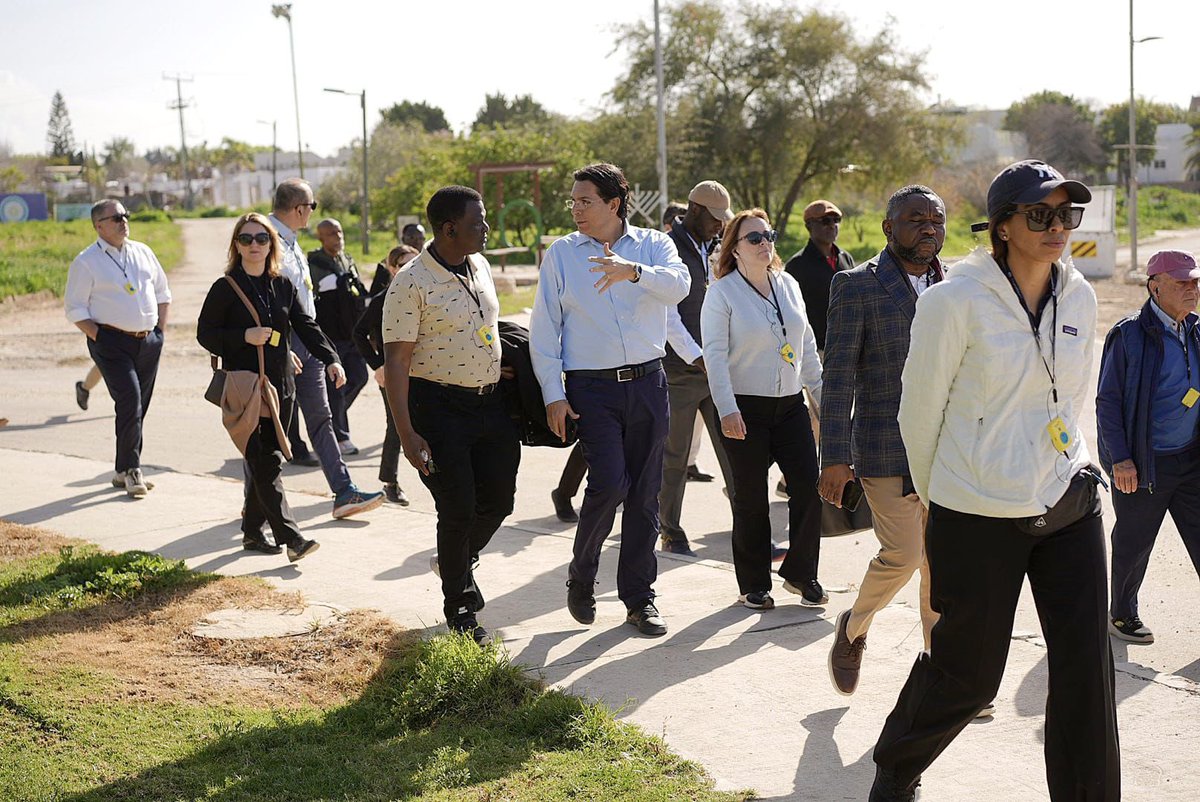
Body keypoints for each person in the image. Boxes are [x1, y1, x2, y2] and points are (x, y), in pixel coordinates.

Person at [870, 161, 1118, 801]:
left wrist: (1079, 465)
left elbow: (1071, 399)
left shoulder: (1080, 295)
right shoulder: (954, 300)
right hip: (975, 511)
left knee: (1087, 672)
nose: (1058, 227)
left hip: (1066, 501)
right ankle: (897, 765)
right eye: (1041, 214)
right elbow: (917, 412)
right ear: (1002, 227)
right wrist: (939, 500)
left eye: (1067, 215)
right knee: (969, 675)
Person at [529, 162, 690, 637]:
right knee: (611, 484)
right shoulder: (562, 254)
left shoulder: (654, 246)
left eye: (586, 201)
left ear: (614, 204)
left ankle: (640, 599)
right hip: (590, 388)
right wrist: (553, 395)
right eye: (573, 201)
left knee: (644, 495)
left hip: (647, 382)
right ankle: (582, 575)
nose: (576, 209)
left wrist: (632, 272)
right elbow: (545, 330)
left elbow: (679, 287)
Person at [819, 185, 946, 697]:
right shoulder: (857, 286)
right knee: (905, 554)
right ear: (888, 228)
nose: (929, 228)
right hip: (883, 446)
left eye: (936, 220)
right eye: (916, 219)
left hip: (946, 451)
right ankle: (852, 627)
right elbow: (839, 376)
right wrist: (833, 457)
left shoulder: (952, 286)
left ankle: (944, 675)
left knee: (944, 563)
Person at [382, 186, 520, 644]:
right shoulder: (410, 284)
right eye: (478, 222)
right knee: (457, 507)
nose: (486, 229)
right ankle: (460, 608)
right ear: (449, 229)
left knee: (499, 501)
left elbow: (482, 325)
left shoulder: (478, 265)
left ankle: (455, 560)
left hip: (491, 402)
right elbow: (398, 362)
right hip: (438, 409)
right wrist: (406, 433)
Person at [701, 208, 824, 610]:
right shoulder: (721, 293)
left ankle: (801, 574)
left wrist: (820, 398)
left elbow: (805, 346)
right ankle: (753, 583)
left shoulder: (788, 284)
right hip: (744, 409)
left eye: (768, 235)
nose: (764, 243)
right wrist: (726, 409)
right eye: (753, 238)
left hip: (790, 407)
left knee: (808, 486)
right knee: (751, 498)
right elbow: (715, 357)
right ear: (733, 248)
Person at [197, 213, 337, 562]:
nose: (255, 245)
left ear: (271, 244)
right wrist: (243, 336)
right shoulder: (225, 288)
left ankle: (251, 532)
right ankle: (292, 538)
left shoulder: (282, 285)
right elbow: (206, 334)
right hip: (247, 388)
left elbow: (304, 326)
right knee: (267, 461)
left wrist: (331, 359)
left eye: (262, 238)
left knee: (264, 462)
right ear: (236, 246)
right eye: (246, 239)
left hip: (281, 387)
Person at [1097, 248, 1200, 644]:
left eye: (1194, 282)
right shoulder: (1128, 336)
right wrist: (1121, 459)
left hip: (1190, 457)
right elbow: (1107, 401)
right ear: (1155, 287)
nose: (1192, 289)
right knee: (1134, 542)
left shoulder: (1194, 328)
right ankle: (1122, 615)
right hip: (1144, 463)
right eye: (1182, 282)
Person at [267, 179, 383, 518]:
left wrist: (325, 352)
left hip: (307, 341)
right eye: (312, 206)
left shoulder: (292, 244)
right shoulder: (264, 239)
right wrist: (282, 346)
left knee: (321, 419)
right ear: (301, 208)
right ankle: (257, 504)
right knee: (269, 428)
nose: (312, 213)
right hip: (280, 345)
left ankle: (344, 492)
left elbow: (303, 305)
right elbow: (264, 303)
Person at [64, 199, 171, 497]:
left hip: (148, 341)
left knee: (140, 406)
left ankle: (121, 469)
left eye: (125, 215)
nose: (124, 220)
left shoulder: (143, 252)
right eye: (116, 217)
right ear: (99, 226)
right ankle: (133, 470)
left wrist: (160, 330)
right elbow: (74, 308)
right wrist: (100, 336)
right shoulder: (86, 261)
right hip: (110, 343)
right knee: (130, 401)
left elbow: (163, 292)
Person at [658, 180, 737, 557]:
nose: (720, 226)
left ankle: (750, 528)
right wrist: (697, 356)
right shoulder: (668, 247)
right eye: (715, 219)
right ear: (694, 210)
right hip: (680, 370)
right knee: (674, 456)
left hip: (715, 367)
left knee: (734, 450)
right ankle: (670, 530)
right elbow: (665, 313)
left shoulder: (713, 247)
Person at [353, 244, 418, 506]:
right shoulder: (382, 299)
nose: (409, 270)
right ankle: (390, 482)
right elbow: (358, 334)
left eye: (415, 263)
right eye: (403, 265)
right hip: (392, 374)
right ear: (392, 269)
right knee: (397, 426)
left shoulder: (425, 294)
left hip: (423, 371)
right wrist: (378, 366)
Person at [308, 217, 370, 454]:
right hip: (330, 334)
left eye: (340, 232)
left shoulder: (347, 260)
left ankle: (333, 420)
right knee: (335, 385)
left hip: (351, 331)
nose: (338, 237)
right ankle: (341, 437)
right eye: (332, 234)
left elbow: (358, 292)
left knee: (359, 377)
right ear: (321, 237)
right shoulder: (314, 263)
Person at [784, 199, 856, 353]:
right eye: (825, 220)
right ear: (809, 226)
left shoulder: (845, 258)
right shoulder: (797, 265)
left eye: (836, 220)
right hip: (816, 350)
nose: (832, 225)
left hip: (849, 345)